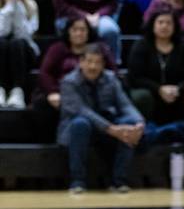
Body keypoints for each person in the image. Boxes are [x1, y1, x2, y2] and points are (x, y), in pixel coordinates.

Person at [57, 43, 144, 193]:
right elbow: (82, 111)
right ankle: (77, 181)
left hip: (108, 128)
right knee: (81, 123)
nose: (93, 67)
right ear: (81, 62)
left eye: (97, 62)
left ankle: (119, 181)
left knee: (129, 123)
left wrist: (139, 123)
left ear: (103, 64)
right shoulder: (68, 82)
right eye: (89, 61)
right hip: (78, 131)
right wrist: (111, 129)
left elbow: (125, 105)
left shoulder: (111, 79)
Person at [128, 8, 184, 147]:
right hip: (151, 93)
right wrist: (159, 89)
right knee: (141, 96)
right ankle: (145, 132)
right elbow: (134, 77)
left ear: (175, 26)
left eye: (168, 23)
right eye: (160, 22)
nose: (164, 26)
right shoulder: (141, 45)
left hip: (177, 94)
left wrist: (179, 88)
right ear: (153, 25)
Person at [0, 0, 38, 109]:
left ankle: (18, 91)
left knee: (17, 42)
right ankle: (0, 89)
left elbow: (25, 34)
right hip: (2, 49)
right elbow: (1, 31)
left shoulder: (30, 5)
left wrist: (18, 9)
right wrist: (9, 7)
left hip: (25, 50)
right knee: (2, 42)